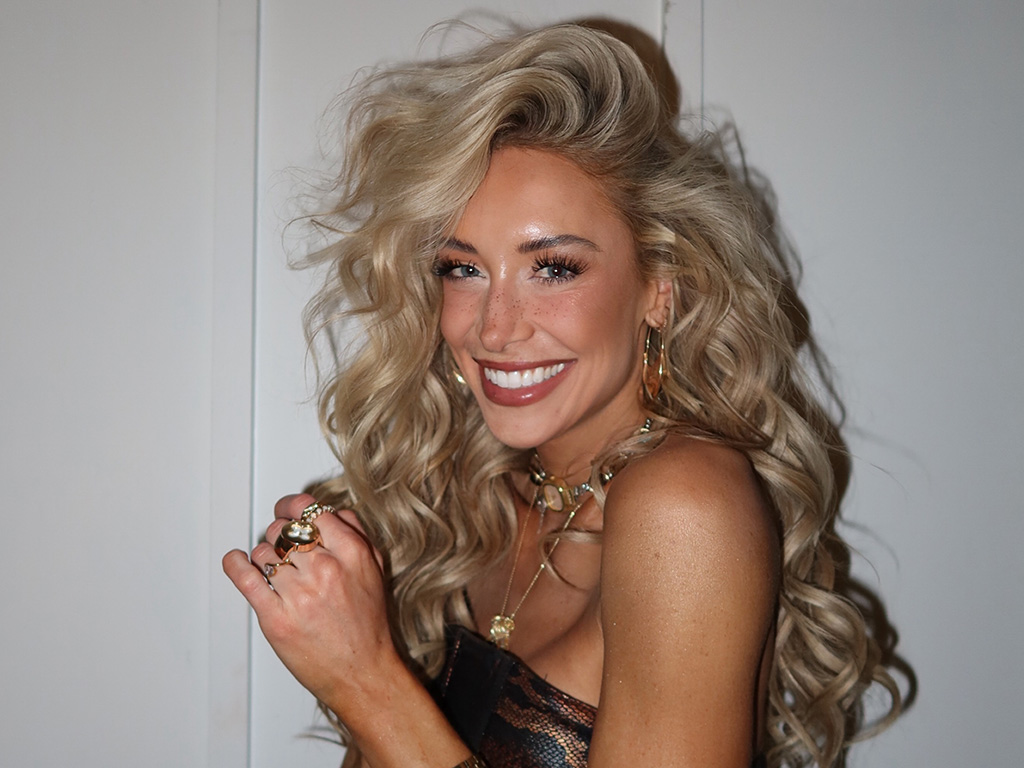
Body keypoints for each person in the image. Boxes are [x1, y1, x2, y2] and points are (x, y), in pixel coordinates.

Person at [224, 23, 901, 768]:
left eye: (552, 269)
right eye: (462, 268)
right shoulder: (480, 501)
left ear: (659, 288)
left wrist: (367, 682)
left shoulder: (684, 505)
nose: (495, 327)